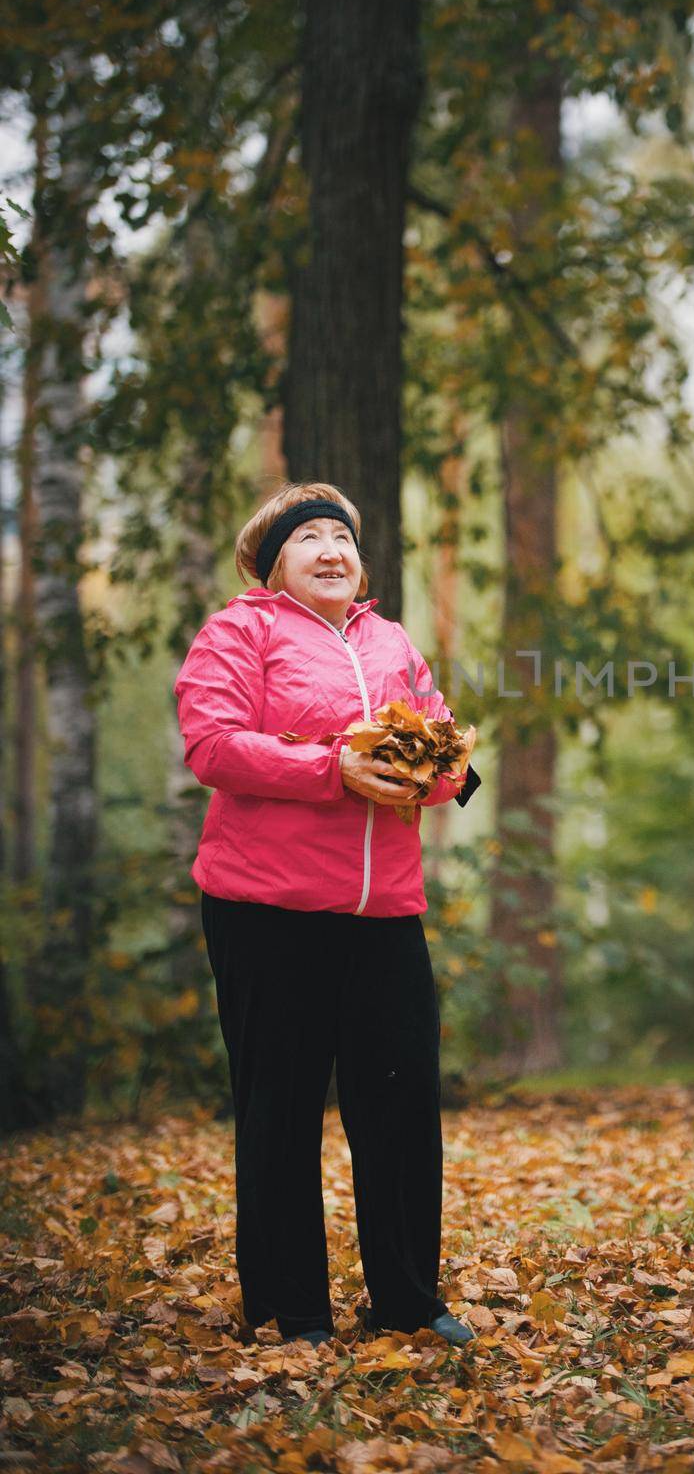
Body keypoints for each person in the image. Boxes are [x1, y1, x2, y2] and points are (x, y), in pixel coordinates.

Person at [175, 482, 479, 1347]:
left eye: (341, 537)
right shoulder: (241, 630)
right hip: (266, 910)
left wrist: (445, 769)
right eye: (307, 537)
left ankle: (409, 1302)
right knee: (281, 1106)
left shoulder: (390, 641)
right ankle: (290, 1309)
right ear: (275, 565)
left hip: (384, 912)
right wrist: (333, 767)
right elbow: (214, 745)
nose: (330, 550)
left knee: (402, 1106)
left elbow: (439, 733)